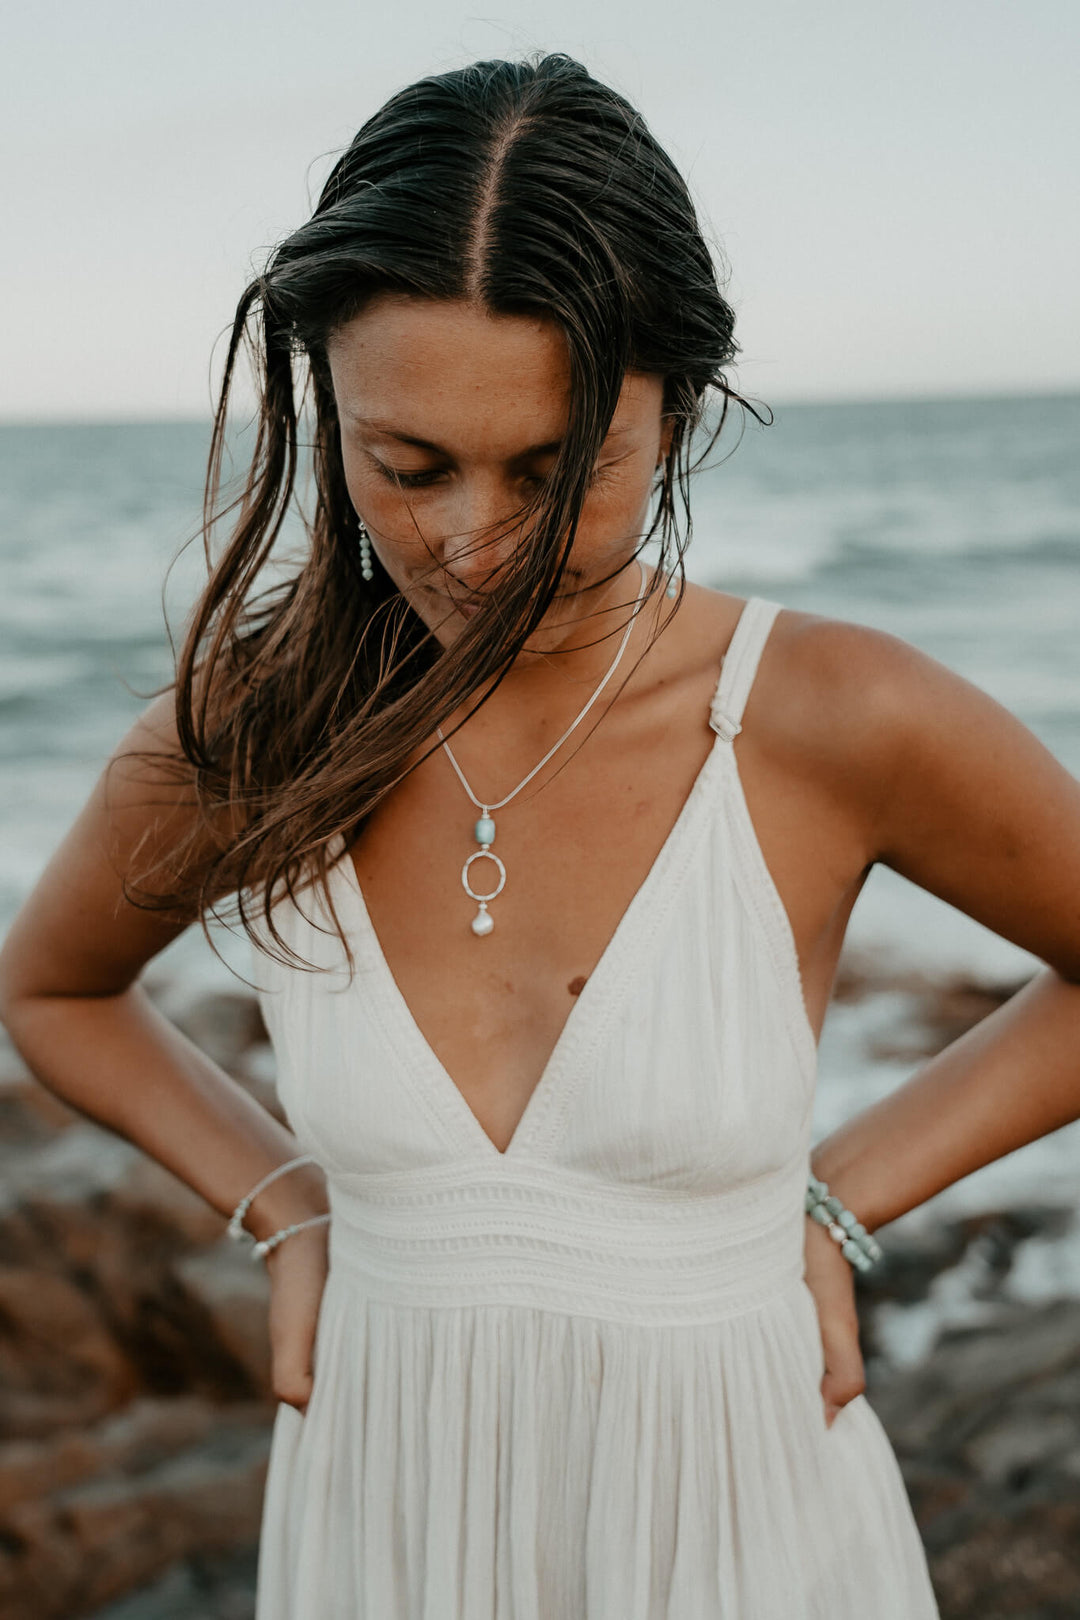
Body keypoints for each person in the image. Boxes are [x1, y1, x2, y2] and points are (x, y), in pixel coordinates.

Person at [2, 50, 1079, 1620]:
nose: (475, 542)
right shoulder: (256, 732)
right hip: (385, 1527)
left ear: (679, 414)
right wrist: (286, 1203)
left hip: (745, 1538)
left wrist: (840, 1197)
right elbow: (53, 992)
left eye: (559, 473)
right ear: (327, 408)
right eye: (409, 464)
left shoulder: (836, 719)